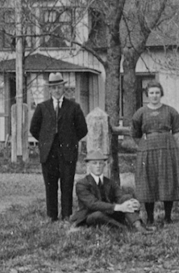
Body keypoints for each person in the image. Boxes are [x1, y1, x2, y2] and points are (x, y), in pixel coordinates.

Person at [28, 72, 88, 222]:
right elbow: (34, 129)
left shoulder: (74, 107)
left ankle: (67, 214)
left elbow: (82, 129)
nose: (57, 90)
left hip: (67, 152)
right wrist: (45, 141)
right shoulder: (42, 107)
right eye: (54, 88)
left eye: (59, 87)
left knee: (67, 184)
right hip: (49, 153)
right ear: (50, 90)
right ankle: (51, 215)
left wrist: (70, 141)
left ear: (63, 88)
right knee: (50, 185)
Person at [131, 82, 179, 226]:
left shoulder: (170, 111)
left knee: (167, 180)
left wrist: (168, 141)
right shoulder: (140, 112)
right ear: (147, 95)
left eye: (157, 92)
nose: (154, 96)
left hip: (167, 149)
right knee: (148, 181)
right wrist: (144, 144)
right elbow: (135, 133)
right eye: (151, 93)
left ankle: (168, 217)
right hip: (147, 149)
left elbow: (178, 130)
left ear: (161, 94)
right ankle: (150, 217)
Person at [69, 150, 142, 229]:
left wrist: (132, 202)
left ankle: (138, 226)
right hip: (90, 215)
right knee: (98, 215)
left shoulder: (110, 182)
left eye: (100, 163)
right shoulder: (82, 184)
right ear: (89, 165)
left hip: (109, 212)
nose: (98, 166)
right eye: (94, 163)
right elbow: (93, 204)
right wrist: (118, 207)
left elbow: (120, 196)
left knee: (127, 198)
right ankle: (125, 228)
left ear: (104, 165)